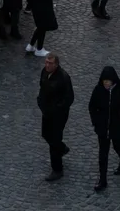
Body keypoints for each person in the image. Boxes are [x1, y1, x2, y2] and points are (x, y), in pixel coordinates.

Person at [88, 65, 120, 191]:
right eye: (104, 81)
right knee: (103, 154)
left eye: (108, 81)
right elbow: (92, 107)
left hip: (117, 128)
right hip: (103, 129)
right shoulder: (98, 90)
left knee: (117, 146)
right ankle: (102, 180)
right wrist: (96, 122)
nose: (106, 83)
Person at [37, 53, 75, 181]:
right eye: (46, 62)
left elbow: (69, 98)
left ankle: (57, 169)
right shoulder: (44, 72)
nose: (47, 65)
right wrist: (40, 101)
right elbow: (42, 87)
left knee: (54, 140)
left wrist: (57, 109)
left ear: (56, 64)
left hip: (58, 115)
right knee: (46, 134)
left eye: (50, 63)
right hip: (46, 112)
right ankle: (62, 148)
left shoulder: (63, 78)